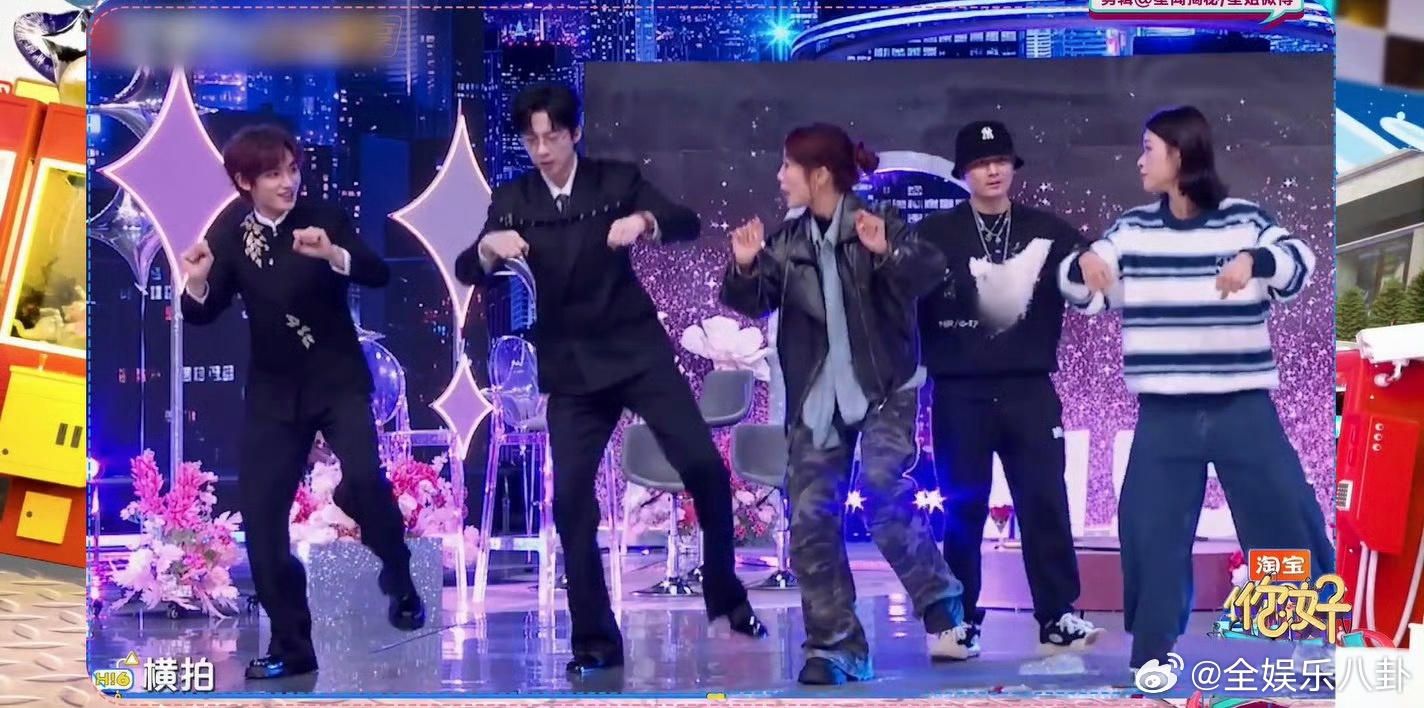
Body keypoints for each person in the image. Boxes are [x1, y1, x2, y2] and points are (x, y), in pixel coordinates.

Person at [454, 83, 766, 676]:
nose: (542, 150)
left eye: (552, 136)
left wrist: (643, 221)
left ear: (574, 133)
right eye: (531, 140)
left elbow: (684, 221)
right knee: (571, 502)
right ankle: (596, 643)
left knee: (703, 466)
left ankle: (725, 592)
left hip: (636, 353)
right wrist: (490, 247)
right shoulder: (514, 198)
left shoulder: (615, 181)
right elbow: (468, 267)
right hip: (572, 368)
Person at [1058, 106, 1334, 672]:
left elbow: (1299, 263)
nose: (1139, 161)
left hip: (1242, 407)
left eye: (1149, 149)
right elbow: (1083, 290)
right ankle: (1152, 652)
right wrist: (1083, 263)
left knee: (1283, 514)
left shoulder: (1244, 220)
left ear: (1179, 155)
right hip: (1165, 415)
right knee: (1149, 528)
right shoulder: (1132, 230)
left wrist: (1255, 260)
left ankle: (1312, 635)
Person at [719, 123, 966, 685]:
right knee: (810, 516)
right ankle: (836, 647)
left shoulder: (877, 222)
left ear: (820, 175)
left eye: (788, 166)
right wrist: (745, 265)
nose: (780, 177)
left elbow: (929, 272)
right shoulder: (787, 242)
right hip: (818, 397)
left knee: (882, 490)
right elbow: (753, 301)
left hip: (886, 387)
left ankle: (940, 597)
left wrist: (887, 252)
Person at [179, 125, 424, 681]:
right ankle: (292, 647)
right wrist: (196, 282)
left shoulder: (325, 218)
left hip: (337, 380)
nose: (288, 182)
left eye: (292, 169)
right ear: (245, 182)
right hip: (274, 394)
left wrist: (333, 252)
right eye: (273, 174)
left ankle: (397, 569)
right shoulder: (229, 232)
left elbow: (378, 272)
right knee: (263, 524)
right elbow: (204, 312)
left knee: (363, 482)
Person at [915, 120, 1104, 660]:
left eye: (1000, 161)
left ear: (1013, 167)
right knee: (962, 510)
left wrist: (1092, 258)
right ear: (964, 173)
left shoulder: (1048, 229)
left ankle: (1058, 615)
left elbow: (1088, 270)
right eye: (980, 163)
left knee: (1044, 501)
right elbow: (897, 291)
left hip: (1029, 389)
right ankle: (957, 621)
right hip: (959, 393)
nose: (993, 171)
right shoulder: (934, 233)